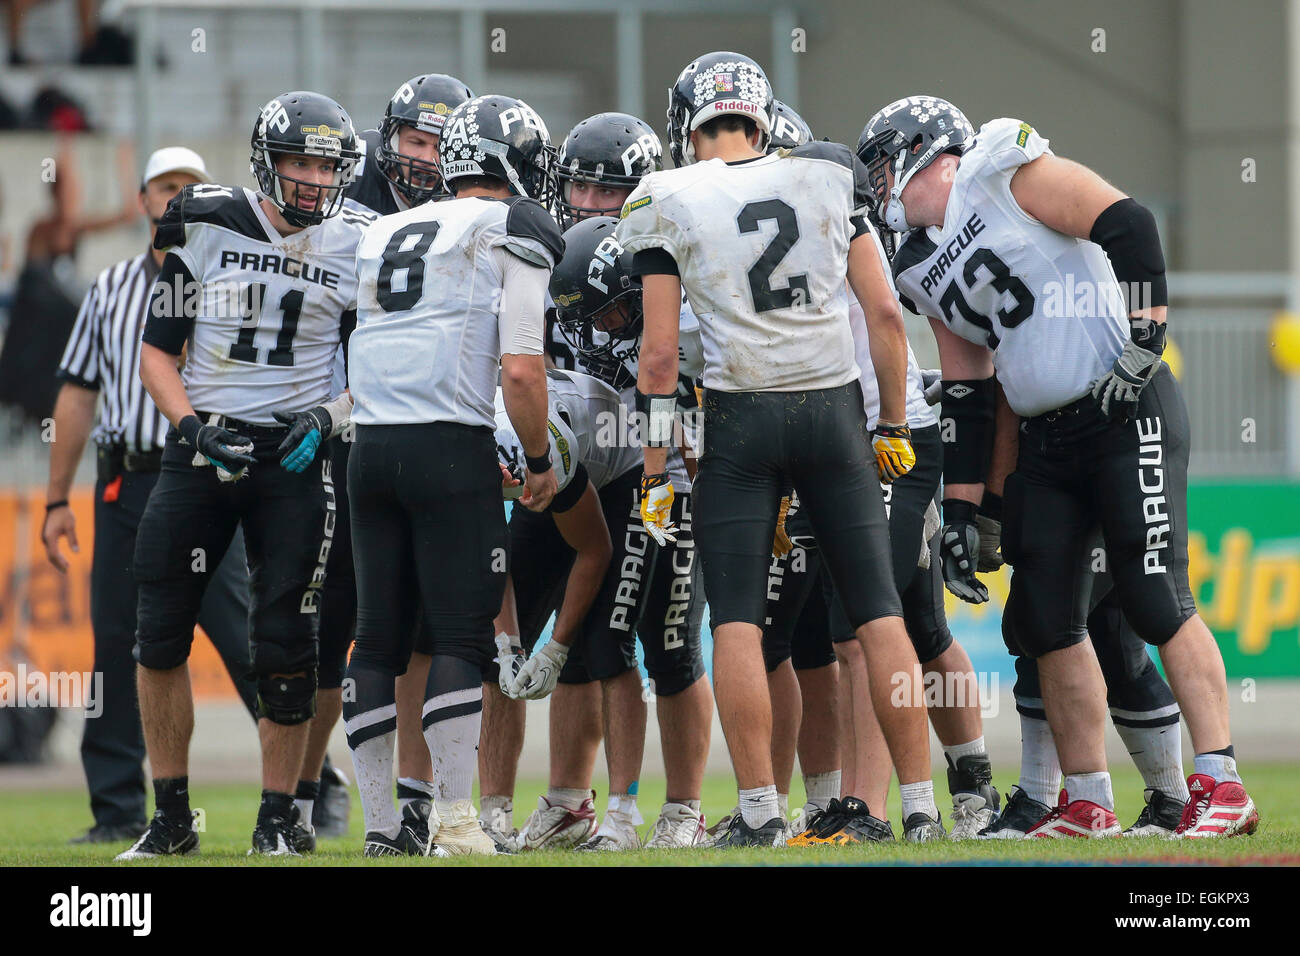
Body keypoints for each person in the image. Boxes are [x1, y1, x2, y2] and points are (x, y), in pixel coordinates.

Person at [860, 94, 1258, 837]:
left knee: (1155, 597)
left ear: (925, 152)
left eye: (882, 167)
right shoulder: (918, 266)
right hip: (1046, 437)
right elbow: (971, 391)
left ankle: (1222, 783)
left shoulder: (997, 169)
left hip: (1123, 406)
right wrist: (963, 510)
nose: (878, 188)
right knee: (1042, 619)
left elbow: (1127, 222)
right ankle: (1087, 799)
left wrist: (1145, 336)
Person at [618, 51, 940, 847]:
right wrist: (894, 427)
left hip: (740, 421)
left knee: (736, 621)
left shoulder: (665, 196)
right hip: (832, 412)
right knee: (879, 612)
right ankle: (922, 807)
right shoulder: (825, 173)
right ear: (761, 117)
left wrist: (655, 471)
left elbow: (658, 360)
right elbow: (886, 316)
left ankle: (761, 808)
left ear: (686, 122)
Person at [117, 91, 372, 859]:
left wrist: (329, 417)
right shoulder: (205, 223)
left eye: (327, 166)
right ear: (267, 161)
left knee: (289, 642)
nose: (314, 179)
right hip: (205, 447)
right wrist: (192, 427)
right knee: (159, 631)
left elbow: (379, 370)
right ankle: (171, 820)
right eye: (300, 162)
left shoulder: (359, 242)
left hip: (296, 453)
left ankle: (278, 819)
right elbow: (157, 352)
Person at [345, 93, 563, 856]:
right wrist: (540, 459)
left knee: (376, 641)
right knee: (462, 639)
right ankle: (456, 821)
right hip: (448, 447)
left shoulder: (385, 228)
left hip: (370, 450)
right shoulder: (512, 225)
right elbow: (523, 371)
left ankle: (382, 828)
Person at [42, 146, 258, 846]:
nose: (177, 197)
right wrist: (55, 500)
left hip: (205, 475)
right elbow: (78, 393)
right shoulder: (108, 289)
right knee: (115, 642)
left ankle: (307, 783)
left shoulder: (235, 279)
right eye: (166, 186)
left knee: (243, 634)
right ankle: (116, 808)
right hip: (124, 479)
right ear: (141, 200)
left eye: (191, 186)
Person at [294, 70, 476, 847]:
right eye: (413, 138)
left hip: (409, 430)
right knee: (338, 622)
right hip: (345, 434)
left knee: (420, 628)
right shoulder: (346, 198)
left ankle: (409, 802)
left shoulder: (468, 205)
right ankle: (300, 795)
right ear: (386, 136)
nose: (424, 156)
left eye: (439, 143)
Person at [493, 217, 713, 851]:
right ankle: (560, 806)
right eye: (588, 318)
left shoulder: (687, 317)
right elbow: (489, 550)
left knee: (663, 648)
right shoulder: (566, 309)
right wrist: (517, 642)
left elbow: (699, 417)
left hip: (665, 483)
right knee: (574, 646)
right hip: (583, 470)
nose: (601, 328)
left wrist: (698, 491)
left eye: (611, 312)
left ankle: (670, 811)